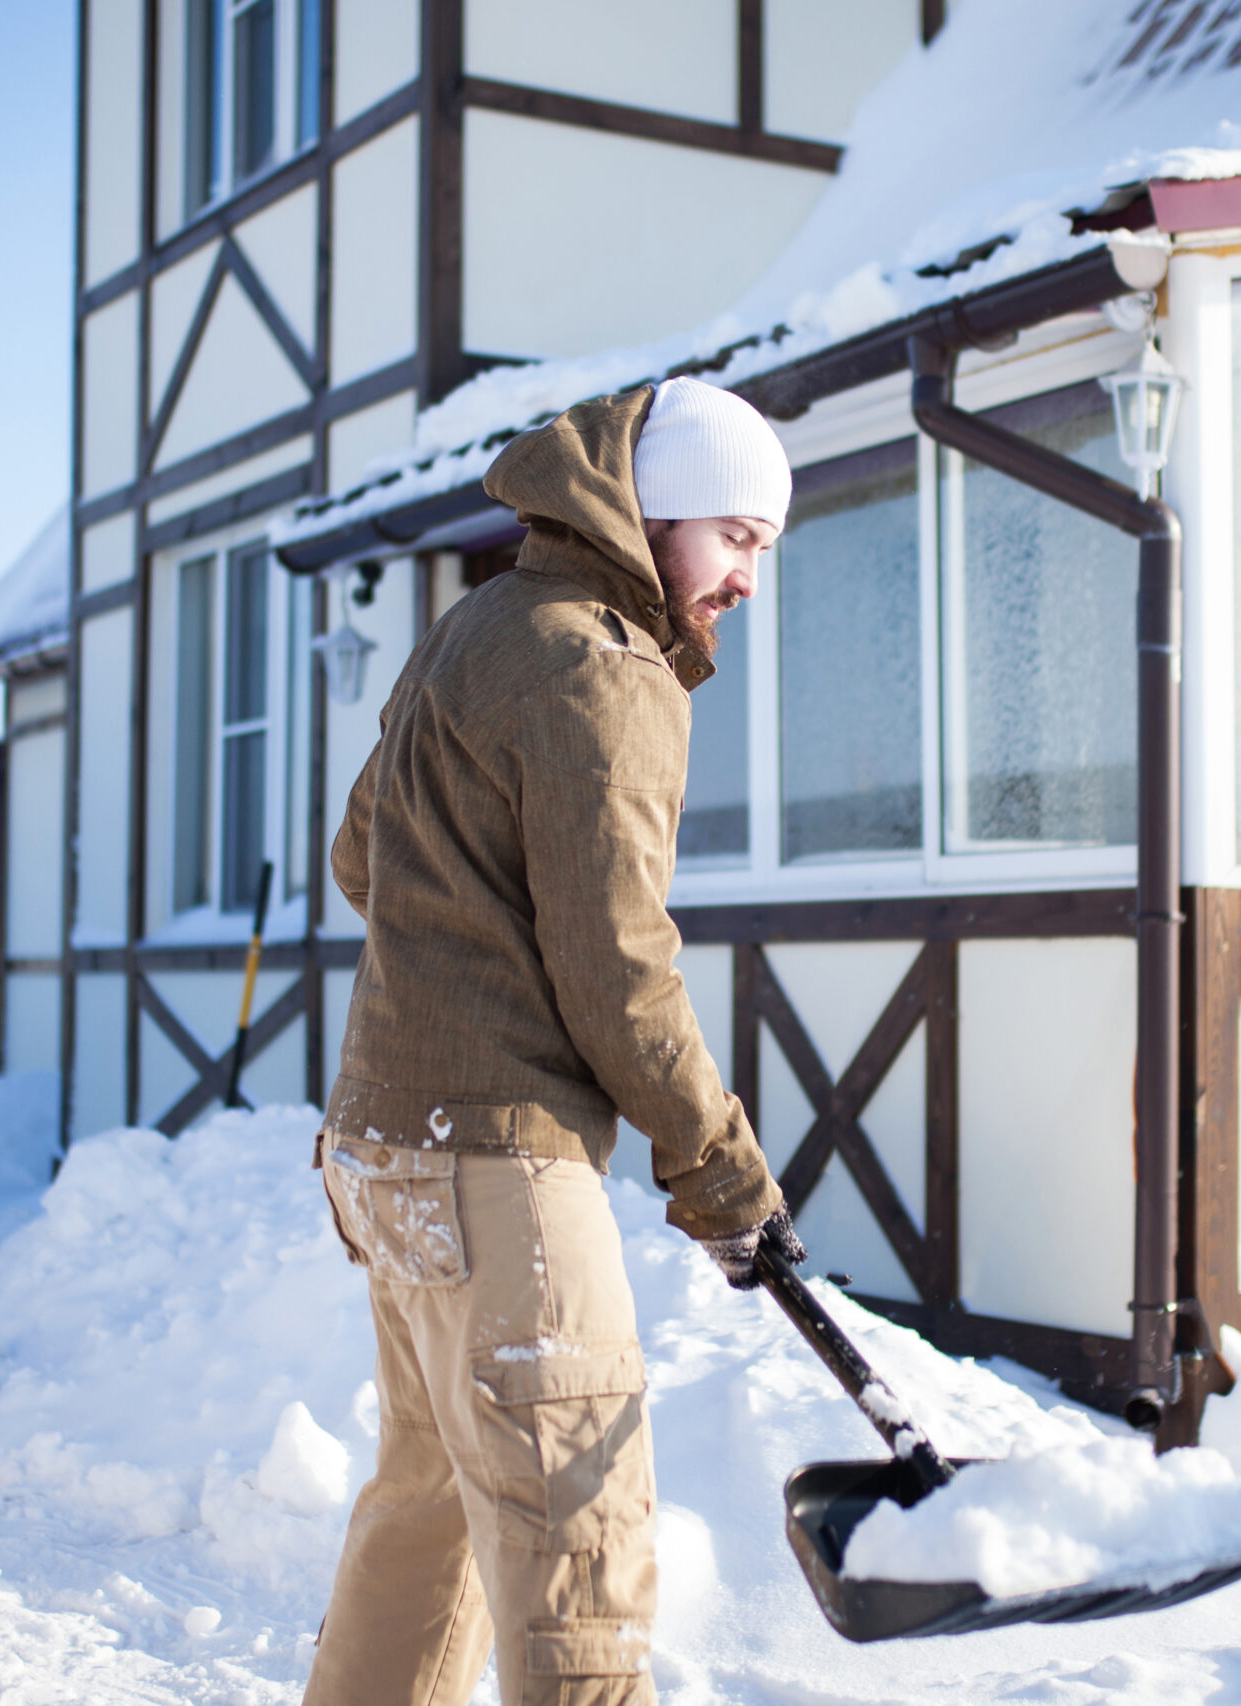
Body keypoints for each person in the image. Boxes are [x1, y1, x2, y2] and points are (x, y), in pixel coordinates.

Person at [305, 377, 806, 1706]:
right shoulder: (603, 664)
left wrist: (470, 936)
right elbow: (622, 970)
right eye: (737, 537)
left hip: (387, 1155)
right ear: (648, 512)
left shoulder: (475, 624)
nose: (751, 577)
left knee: (427, 1523)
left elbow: (363, 852)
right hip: (498, 1174)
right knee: (574, 1560)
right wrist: (723, 1167)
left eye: (766, 547)